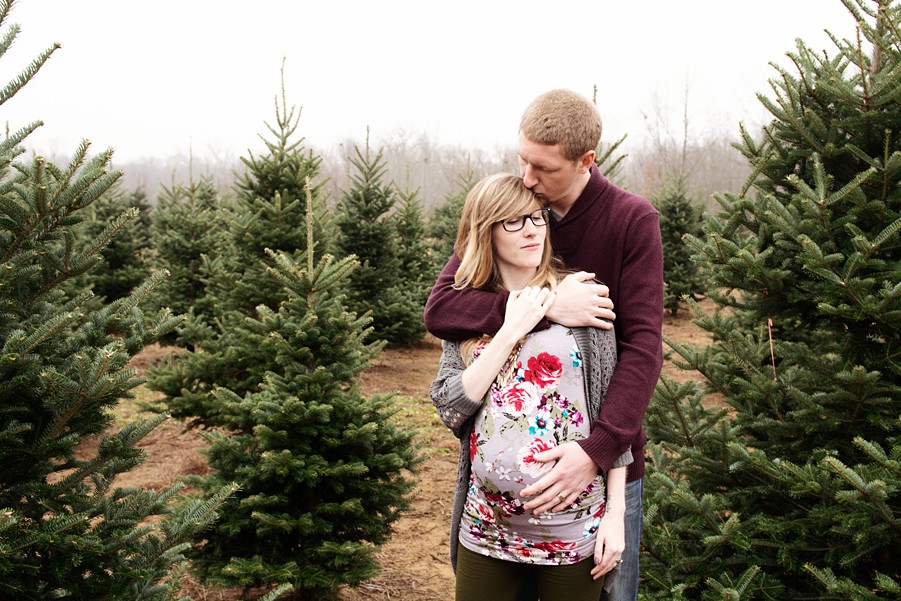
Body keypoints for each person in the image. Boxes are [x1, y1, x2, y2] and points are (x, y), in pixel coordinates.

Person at [424, 89, 664, 601]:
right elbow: (441, 308)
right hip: (499, 501)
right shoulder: (518, 204)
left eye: (544, 168)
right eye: (522, 160)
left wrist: (595, 453)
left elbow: (642, 349)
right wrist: (541, 305)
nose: (529, 179)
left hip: (603, 466)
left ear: (586, 162)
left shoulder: (630, 220)